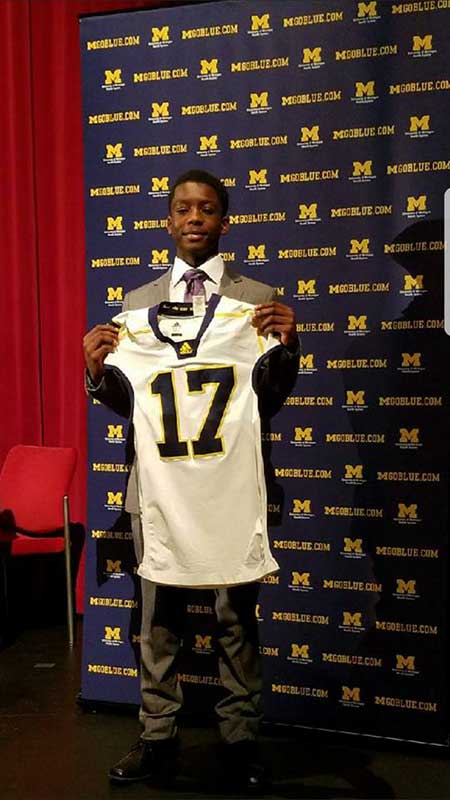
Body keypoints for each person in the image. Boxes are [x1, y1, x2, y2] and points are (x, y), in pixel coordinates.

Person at [83, 169, 299, 793]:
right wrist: (97, 374)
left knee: (237, 620)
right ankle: (157, 740)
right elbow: (134, 405)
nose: (195, 218)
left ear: (223, 221)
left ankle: (239, 741)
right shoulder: (135, 305)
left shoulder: (258, 297)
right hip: (161, 493)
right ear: (169, 221)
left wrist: (288, 349)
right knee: (158, 620)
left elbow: (269, 398)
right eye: (183, 209)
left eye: (207, 209)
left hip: (231, 488)